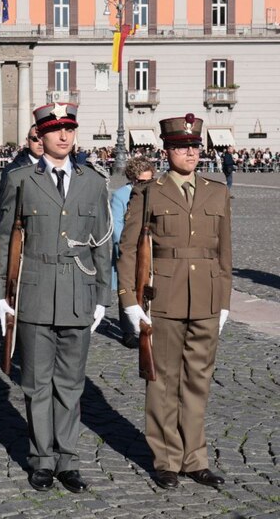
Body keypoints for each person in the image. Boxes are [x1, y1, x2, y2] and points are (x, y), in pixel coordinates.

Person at [0, 102, 111, 494]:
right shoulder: (21, 179)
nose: (63, 136)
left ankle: (68, 460)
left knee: (71, 384)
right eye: (55, 130)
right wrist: (1, 292)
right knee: (36, 382)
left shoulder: (93, 182)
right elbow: (3, 236)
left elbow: (103, 245)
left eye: (69, 129)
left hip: (79, 291)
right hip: (35, 291)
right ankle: (41, 459)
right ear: (39, 136)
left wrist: (101, 297)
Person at [117, 113, 231, 491]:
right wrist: (130, 301)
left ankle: (195, 458)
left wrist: (225, 299)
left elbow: (224, 251)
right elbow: (130, 249)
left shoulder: (217, 191)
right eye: (182, 147)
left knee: (198, 382)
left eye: (195, 146)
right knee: (162, 380)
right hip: (162, 296)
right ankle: (166, 459)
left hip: (207, 297)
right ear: (167, 150)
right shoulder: (149, 192)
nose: (190, 153)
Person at [110, 156, 156, 348]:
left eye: (150, 180)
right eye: (142, 181)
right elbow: (116, 226)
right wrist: (129, 245)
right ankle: (128, 329)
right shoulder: (121, 195)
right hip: (129, 248)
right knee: (127, 287)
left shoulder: (156, 193)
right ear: (133, 179)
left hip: (149, 249)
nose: (146, 184)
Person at [0, 123, 44, 223]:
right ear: (27, 141)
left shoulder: (58, 168)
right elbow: (3, 207)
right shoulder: (12, 170)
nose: (40, 143)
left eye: (43, 138)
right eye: (35, 139)